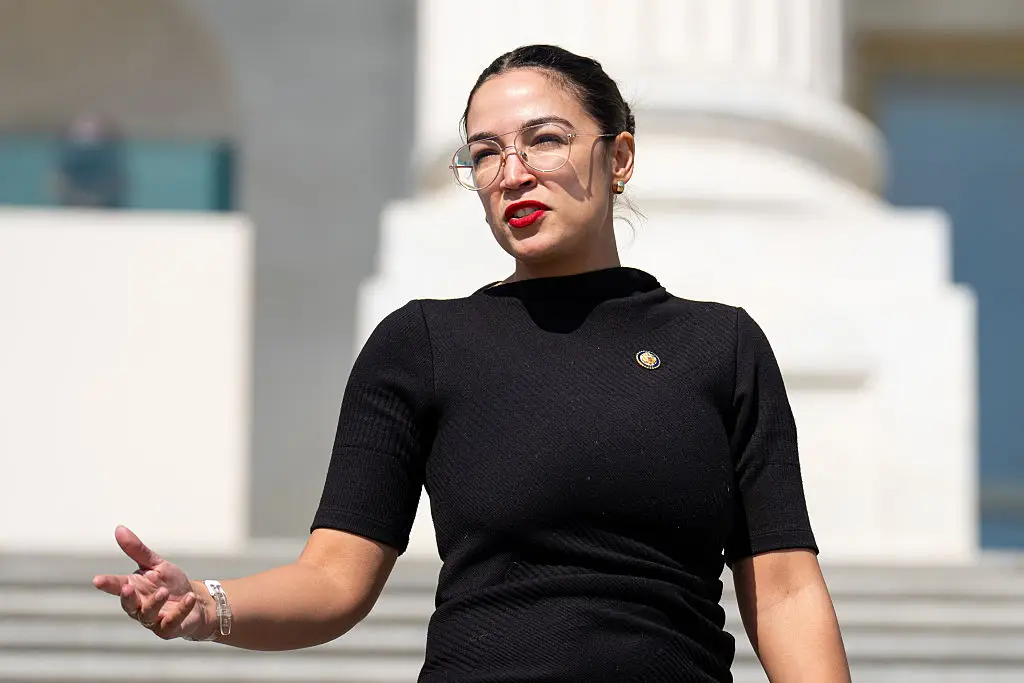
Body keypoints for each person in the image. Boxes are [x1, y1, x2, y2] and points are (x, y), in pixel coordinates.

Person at [93, 44, 851, 682]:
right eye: (485, 154)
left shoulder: (720, 346)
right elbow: (333, 578)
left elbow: (783, 591)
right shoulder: (422, 344)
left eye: (544, 139)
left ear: (618, 156)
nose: (511, 173)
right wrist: (207, 603)